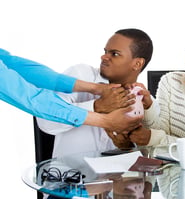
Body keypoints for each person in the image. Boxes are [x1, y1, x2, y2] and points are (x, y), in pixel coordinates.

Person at [36, 28, 153, 158]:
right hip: (70, 175)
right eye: (105, 51)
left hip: (118, 177)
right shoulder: (80, 75)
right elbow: (45, 122)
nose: (104, 57)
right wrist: (97, 106)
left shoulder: (145, 102)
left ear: (137, 63)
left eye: (114, 54)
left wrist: (126, 146)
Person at [0, 48, 142, 133]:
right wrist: (104, 119)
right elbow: (32, 99)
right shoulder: (80, 71)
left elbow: (12, 64)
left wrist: (95, 88)